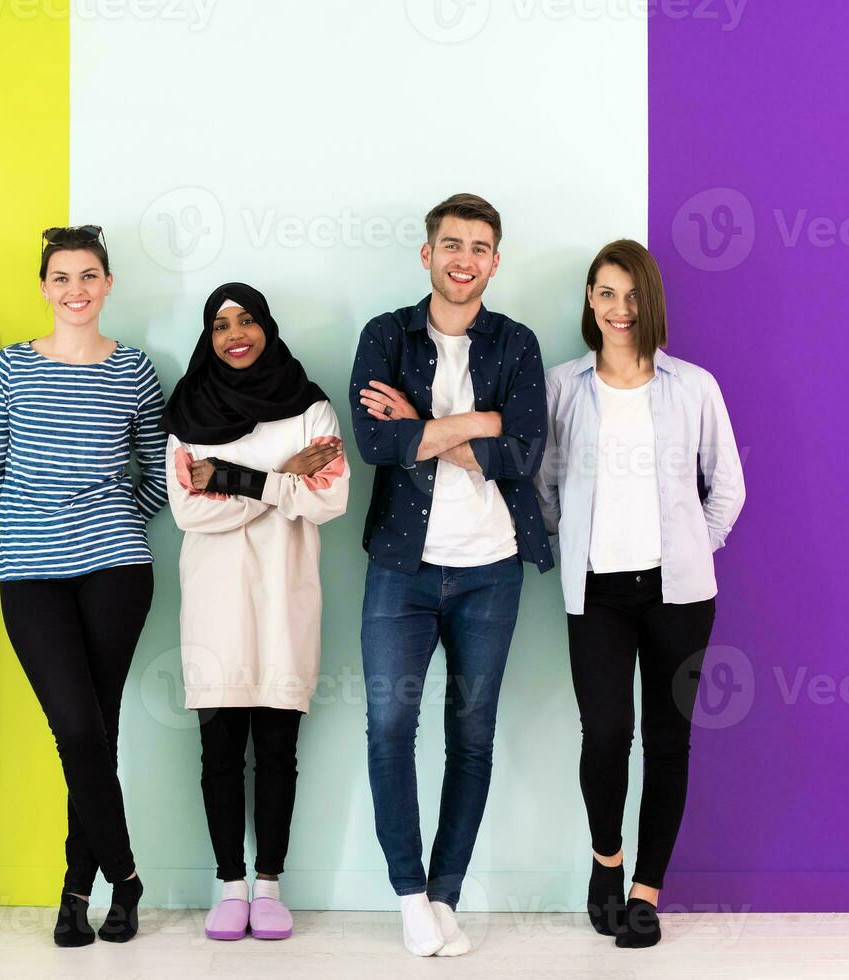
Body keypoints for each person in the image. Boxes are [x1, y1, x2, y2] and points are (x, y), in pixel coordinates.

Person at [348, 193, 552, 956]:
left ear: (495, 261)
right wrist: (483, 421)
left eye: (480, 247)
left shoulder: (517, 343)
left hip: (491, 571)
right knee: (391, 726)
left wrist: (430, 427)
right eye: (452, 244)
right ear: (427, 253)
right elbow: (376, 442)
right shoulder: (385, 335)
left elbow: (526, 452)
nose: (465, 259)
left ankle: (446, 893)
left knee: (471, 734)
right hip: (402, 569)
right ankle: (408, 894)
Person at [538, 239, 745, 948]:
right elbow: (543, 488)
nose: (618, 309)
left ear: (649, 301)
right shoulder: (563, 386)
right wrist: (577, 548)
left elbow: (728, 487)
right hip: (595, 593)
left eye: (630, 295)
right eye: (605, 293)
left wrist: (689, 551)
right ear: (589, 302)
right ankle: (606, 863)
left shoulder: (693, 386)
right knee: (605, 734)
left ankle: (647, 890)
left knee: (668, 740)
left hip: (678, 597)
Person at [0, 225, 168, 946]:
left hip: (116, 568)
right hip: (30, 570)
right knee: (78, 729)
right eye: (61, 277)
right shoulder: (11, 369)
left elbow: (157, 473)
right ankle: (124, 877)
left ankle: (73, 896)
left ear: (108, 284)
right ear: (44, 287)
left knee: (98, 731)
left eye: (89, 276)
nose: (76, 290)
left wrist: (117, 521)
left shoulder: (134, 370)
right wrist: (40, 524)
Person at [161, 282, 349, 942]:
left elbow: (329, 501)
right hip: (214, 603)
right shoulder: (187, 410)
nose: (234, 333)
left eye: (246, 320)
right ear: (207, 337)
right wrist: (284, 479)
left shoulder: (311, 406)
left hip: (284, 598)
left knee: (277, 751)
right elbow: (188, 510)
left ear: (267, 326)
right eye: (219, 323)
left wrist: (235, 478)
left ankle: (269, 885)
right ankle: (228, 885)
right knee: (218, 751)